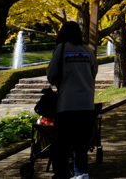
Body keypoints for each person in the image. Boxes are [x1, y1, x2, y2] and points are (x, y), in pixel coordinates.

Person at [47, 21, 98, 179]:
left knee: (61, 144)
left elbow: (51, 75)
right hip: (86, 105)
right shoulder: (88, 51)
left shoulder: (61, 50)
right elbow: (93, 72)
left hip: (66, 105)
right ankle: (81, 174)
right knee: (81, 146)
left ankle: (61, 175)